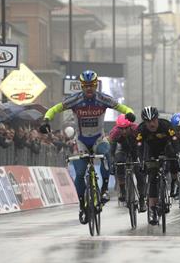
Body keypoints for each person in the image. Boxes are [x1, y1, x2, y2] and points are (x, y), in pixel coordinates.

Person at [43, 70, 135, 224]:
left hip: (98, 139)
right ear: (81, 86)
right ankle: (82, 205)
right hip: (81, 141)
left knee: (106, 154)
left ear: (96, 84)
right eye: (85, 86)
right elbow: (54, 109)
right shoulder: (75, 100)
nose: (89, 89)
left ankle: (105, 190)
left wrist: (130, 115)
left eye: (91, 85)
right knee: (79, 174)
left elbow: (123, 108)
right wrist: (46, 120)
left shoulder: (103, 99)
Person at [136, 106, 180, 225]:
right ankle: (152, 210)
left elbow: (175, 140)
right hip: (151, 151)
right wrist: (142, 161)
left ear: (157, 119)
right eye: (148, 122)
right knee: (152, 178)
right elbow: (139, 147)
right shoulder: (141, 130)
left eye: (154, 120)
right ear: (144, 122)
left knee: (173, 156)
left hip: (166, 148)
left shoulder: (166, 125)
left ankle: (175, 182)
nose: (152, 124)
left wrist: (177, 154)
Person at [109, 115, 146, 212]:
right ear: (118, 128)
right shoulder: (115, 133)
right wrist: (113, 162)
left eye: (126, 129)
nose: (124, 131)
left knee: (139, 172)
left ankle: (142, 200)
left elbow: (143, 146)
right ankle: (123, 190)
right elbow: (112, 151)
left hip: (135, 148)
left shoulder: (136, 130)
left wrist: (142, 159)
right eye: (122, 129)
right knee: (119, 162)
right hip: (123, 149)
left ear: (130, 126)